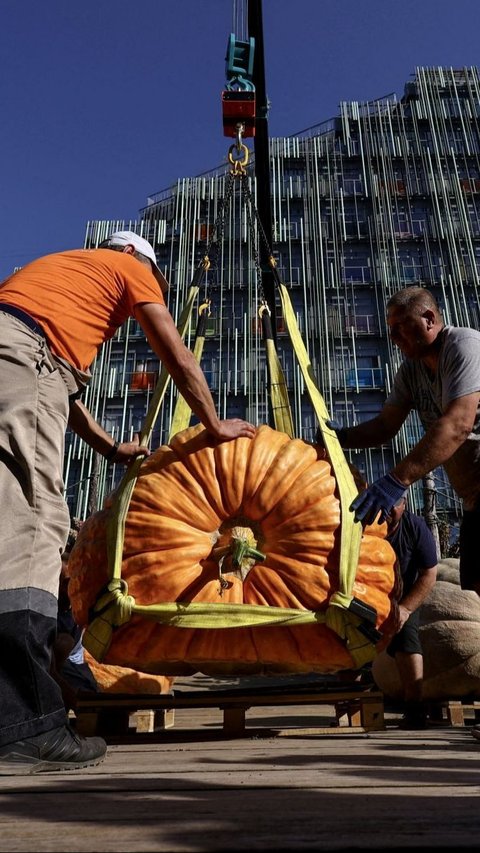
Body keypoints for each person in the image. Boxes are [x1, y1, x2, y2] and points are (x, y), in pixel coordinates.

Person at [0, 231, 256, 774]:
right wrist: (213, 424)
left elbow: (57, 392)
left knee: (5, 518)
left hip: (17, 357)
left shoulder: (54, 272)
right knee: (36, 521)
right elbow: (173, 348)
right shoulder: (127, 266)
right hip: (26, 360)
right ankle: (24, 727)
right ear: (138, 260)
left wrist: (110, 447)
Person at [326, 285, 480, 734]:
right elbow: (386, 425)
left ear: (429, 319)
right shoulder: (411, 371)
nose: (395, 338)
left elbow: (458, 422)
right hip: (473, 496)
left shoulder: (464, 345)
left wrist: (397, 479)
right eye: (390, 330)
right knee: (474, 581)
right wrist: (339, 438)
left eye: (401, 328)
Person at [384, 494, 438, 729]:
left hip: (405, 593)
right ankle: (352, 693)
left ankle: (415, 710)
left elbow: (429, 574)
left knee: (406, 636)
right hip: (366, 592)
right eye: (382, 504)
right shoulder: (362, 524)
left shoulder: (415, 527)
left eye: (393, 505)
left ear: (404, 505)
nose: (386, 510)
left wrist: (405, 609)